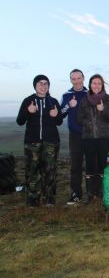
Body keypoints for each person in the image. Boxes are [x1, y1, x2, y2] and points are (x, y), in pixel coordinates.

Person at [16, 75, 63, 206]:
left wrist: (56, 115)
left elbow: (59, 122)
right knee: (32, 171)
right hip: (32, 142)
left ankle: (49, 199)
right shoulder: (28, 101)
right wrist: (28, 111)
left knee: (50, 171)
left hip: (51, 142)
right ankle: (33, 199)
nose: (43, 86)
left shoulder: (53, 101)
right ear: (35, 86)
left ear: (48, 86)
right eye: (40, 83)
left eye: (46, 83)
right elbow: (20, 121)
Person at [77, 74, 109, 202]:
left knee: (101, 165)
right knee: (90, 165)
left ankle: (100, 193)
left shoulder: (108, 99)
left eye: (99, 83)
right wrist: (87, 123)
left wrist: (103, 110)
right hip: (88, 138)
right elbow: (79, 118)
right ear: (90, 85)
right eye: (94, 83)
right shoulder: (84, 100)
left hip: (103, 138)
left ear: (102, 85)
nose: (97, 85)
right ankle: (90, 194)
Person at [60, 69, 88, 205]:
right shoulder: (66, 95)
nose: (76, 81)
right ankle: (76, 194)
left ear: (83, 78)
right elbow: (60, 114)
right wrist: (68, 106)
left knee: (92, 166)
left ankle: (93, 195)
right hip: (75, 136)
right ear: (71, 80)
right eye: (73, 79)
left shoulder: (90, 94)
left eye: (79, 78)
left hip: (91, 136)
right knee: (76, 166)